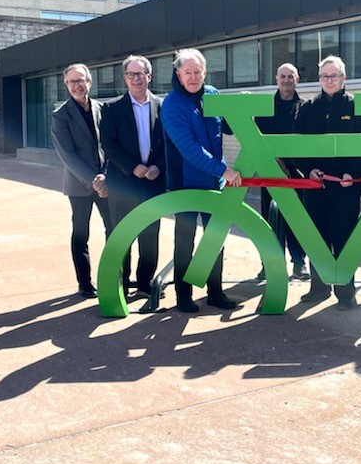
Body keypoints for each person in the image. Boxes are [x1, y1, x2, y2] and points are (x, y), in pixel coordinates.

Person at [162, 48, 242, 313]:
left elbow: (228, 127)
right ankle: (183, 297)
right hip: (185, 183)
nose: (194, 77)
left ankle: (215, 293)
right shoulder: (172, 104)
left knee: (215, 238)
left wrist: (243, 111)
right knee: (184, 240)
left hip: (212, 182)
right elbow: (189, 148)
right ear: (178, 74)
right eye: (188, 72)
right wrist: (223, 170)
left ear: (205, 72)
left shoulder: (213, 95)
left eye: (198, 72)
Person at [292, 55, 361, 310]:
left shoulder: (356, 107)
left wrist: (353, 173)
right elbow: (296, 148)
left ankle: (346, 293)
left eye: (334, 75)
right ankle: (318, 288)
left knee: (344, 239)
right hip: (315, 188)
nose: (329, 80)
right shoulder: (306, 108)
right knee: (316, 238)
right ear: (319, 79)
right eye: (325, 76)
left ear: (343, 78)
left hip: (346, 190)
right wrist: (308, 170)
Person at [100, 55, 165, 299]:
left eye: (141, 74)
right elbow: (109, 144)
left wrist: (158, 167)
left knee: (150, 235)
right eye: (131, 74)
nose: (136, 79)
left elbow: (168, 144)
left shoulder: (162, 105)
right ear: (125, 78)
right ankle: (122, 283)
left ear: (149, 76)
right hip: (123, 182)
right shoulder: (112, 108)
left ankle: (146, 283)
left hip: (153, 182)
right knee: (122, 234)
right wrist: (133, 166)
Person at [51, 63, 111, 299]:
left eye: (81, 80)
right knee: (80, 234)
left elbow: (109, 145)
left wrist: (105, 176)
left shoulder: (101, 108)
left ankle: (115, 275)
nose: (77, 85)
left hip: (106, 182)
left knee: (114, 230)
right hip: (80, 186)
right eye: (72, 81)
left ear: (90, 82)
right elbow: (67, 155)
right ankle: (84, 283)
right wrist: (93, 180)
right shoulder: (61, 115)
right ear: (66, 84)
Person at [254, 62, 309, 282]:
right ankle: (270, 265)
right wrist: (278, 165)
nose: (287, 80)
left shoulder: (305, 107)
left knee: (298, 220)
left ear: (297, 80)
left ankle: (299, 263)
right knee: (270, 220)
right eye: (283, 76)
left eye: (291, 76)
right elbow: (258, 140)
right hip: (271, 172)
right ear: (276, 79)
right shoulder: (265, 107)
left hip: (298, 175)